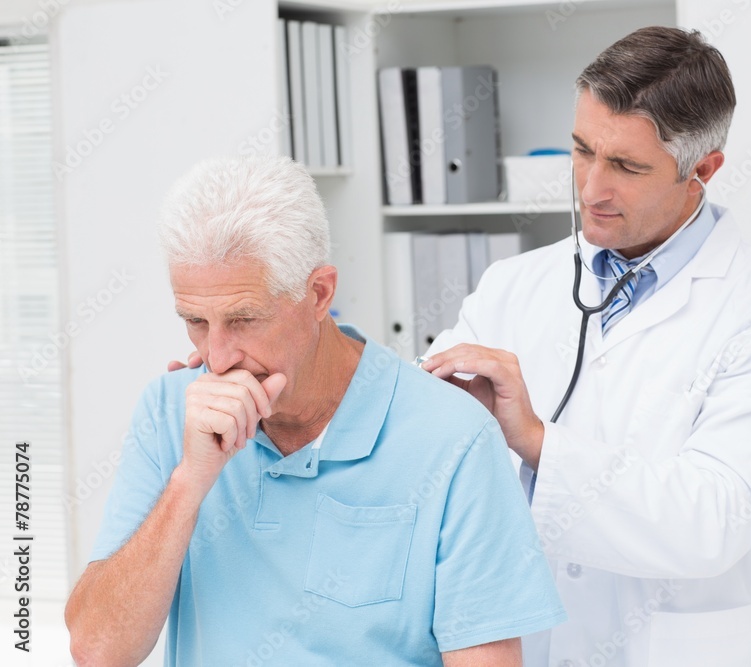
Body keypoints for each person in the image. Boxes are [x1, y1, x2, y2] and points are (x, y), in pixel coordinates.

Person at [419, 26, 751, 666]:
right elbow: (422, 427)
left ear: (704, 170)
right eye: (582, 151)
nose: (589, 189)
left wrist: (535, 440)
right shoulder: (515, 285)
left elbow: (713, 520)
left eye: (627, 167)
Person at [64, 156, 566, 667]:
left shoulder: (452, 435)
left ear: (319, 293)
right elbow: (98, 650)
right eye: (196, 320)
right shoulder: (171, 410)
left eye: (243, 319)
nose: (216, 357)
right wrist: (189, 482)